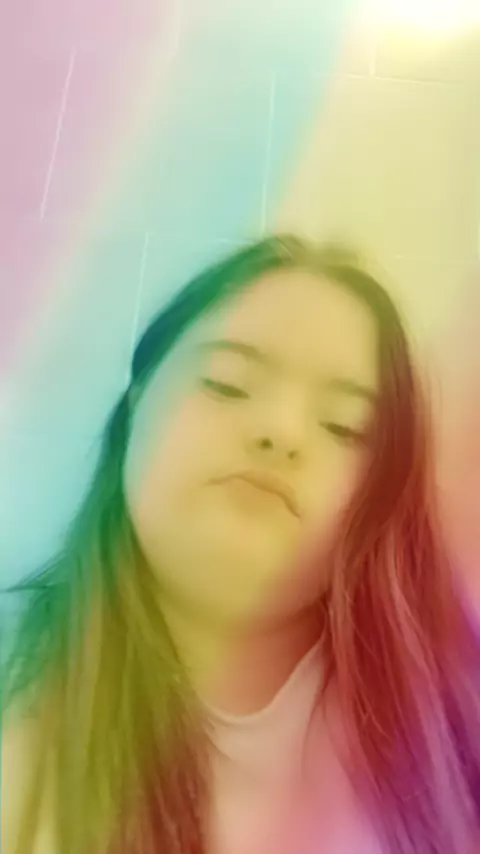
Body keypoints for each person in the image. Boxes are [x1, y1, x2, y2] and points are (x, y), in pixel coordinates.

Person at [2, 235, 480, 854]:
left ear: (379, 497)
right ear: (137, 402)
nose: (279, 432)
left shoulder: (445, 735)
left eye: (343, 425)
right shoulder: (17, 674)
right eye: (228, 385)